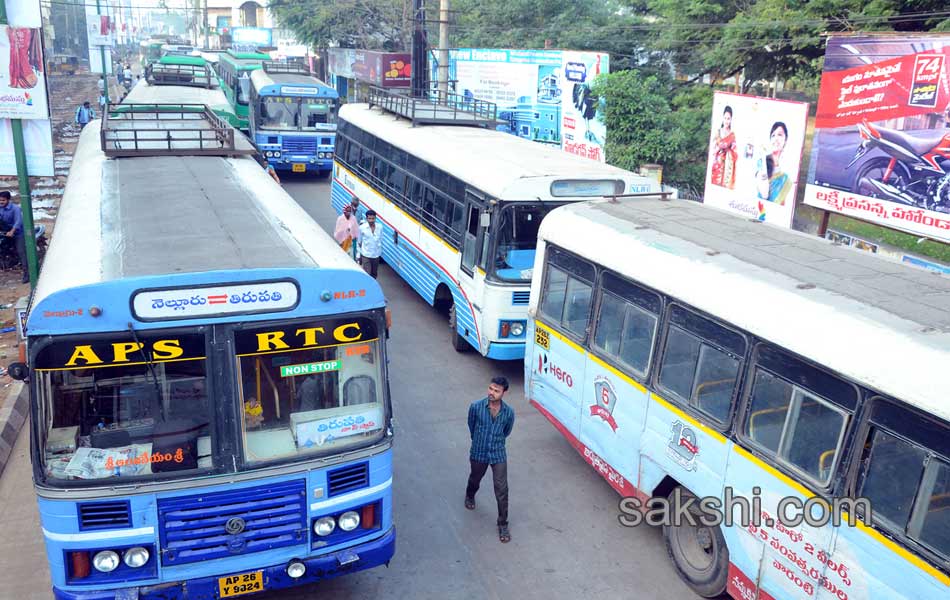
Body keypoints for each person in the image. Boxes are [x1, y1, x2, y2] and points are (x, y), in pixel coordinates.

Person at [465, 376, 515, 543]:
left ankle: (502, 524)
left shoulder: (508, 413)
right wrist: (479, 440)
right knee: (475, 478)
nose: (492, 393)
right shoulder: (476, 407)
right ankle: (470, 495)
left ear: (504, 393)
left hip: (498, 453)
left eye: (496, 391)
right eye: (491, 389)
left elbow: (506, 431)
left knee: (502, 489)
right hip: (479, 452)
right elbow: (471, 426)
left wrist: (494, 441)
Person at [755, 121, 792, 206]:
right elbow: (764, 194)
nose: (776, 138)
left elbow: (783, 201)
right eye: (773, 135)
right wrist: (763, 159)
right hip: (760, 211)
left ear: (785, 140)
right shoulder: (762, 162)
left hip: (777, 214)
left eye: (779, 135)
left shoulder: (786, 173)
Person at [0, 191, 29, 283]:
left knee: (21, 251)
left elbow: (18, 222)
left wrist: (12, 231)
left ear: (8, 200)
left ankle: (26, 273)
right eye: (0, 200)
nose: (1, 202)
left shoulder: (15, 208)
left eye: (3, 200)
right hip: (5, 232)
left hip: (17, 233)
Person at [710, 106, 737, 189]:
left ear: (731, 119)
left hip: (728, 165)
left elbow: (735, 152)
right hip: (717, 165)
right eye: (725, 118)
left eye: (728, 118)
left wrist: (728, 149)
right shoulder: (718, 132)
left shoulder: (732, 135)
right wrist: (719, 148)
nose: (726, 121)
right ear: (722, 118)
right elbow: (713, 149)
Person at [358, 210, 382, 279]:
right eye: (369, 218)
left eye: (373, 218)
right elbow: (359, 242)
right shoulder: (362, 228)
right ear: (366, 218)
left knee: (374, 274)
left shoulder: (380, 227)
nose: (371, 220)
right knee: (367, 274)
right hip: (366, 255)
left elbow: (380, 239)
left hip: (376, 255)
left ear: (375, 218)